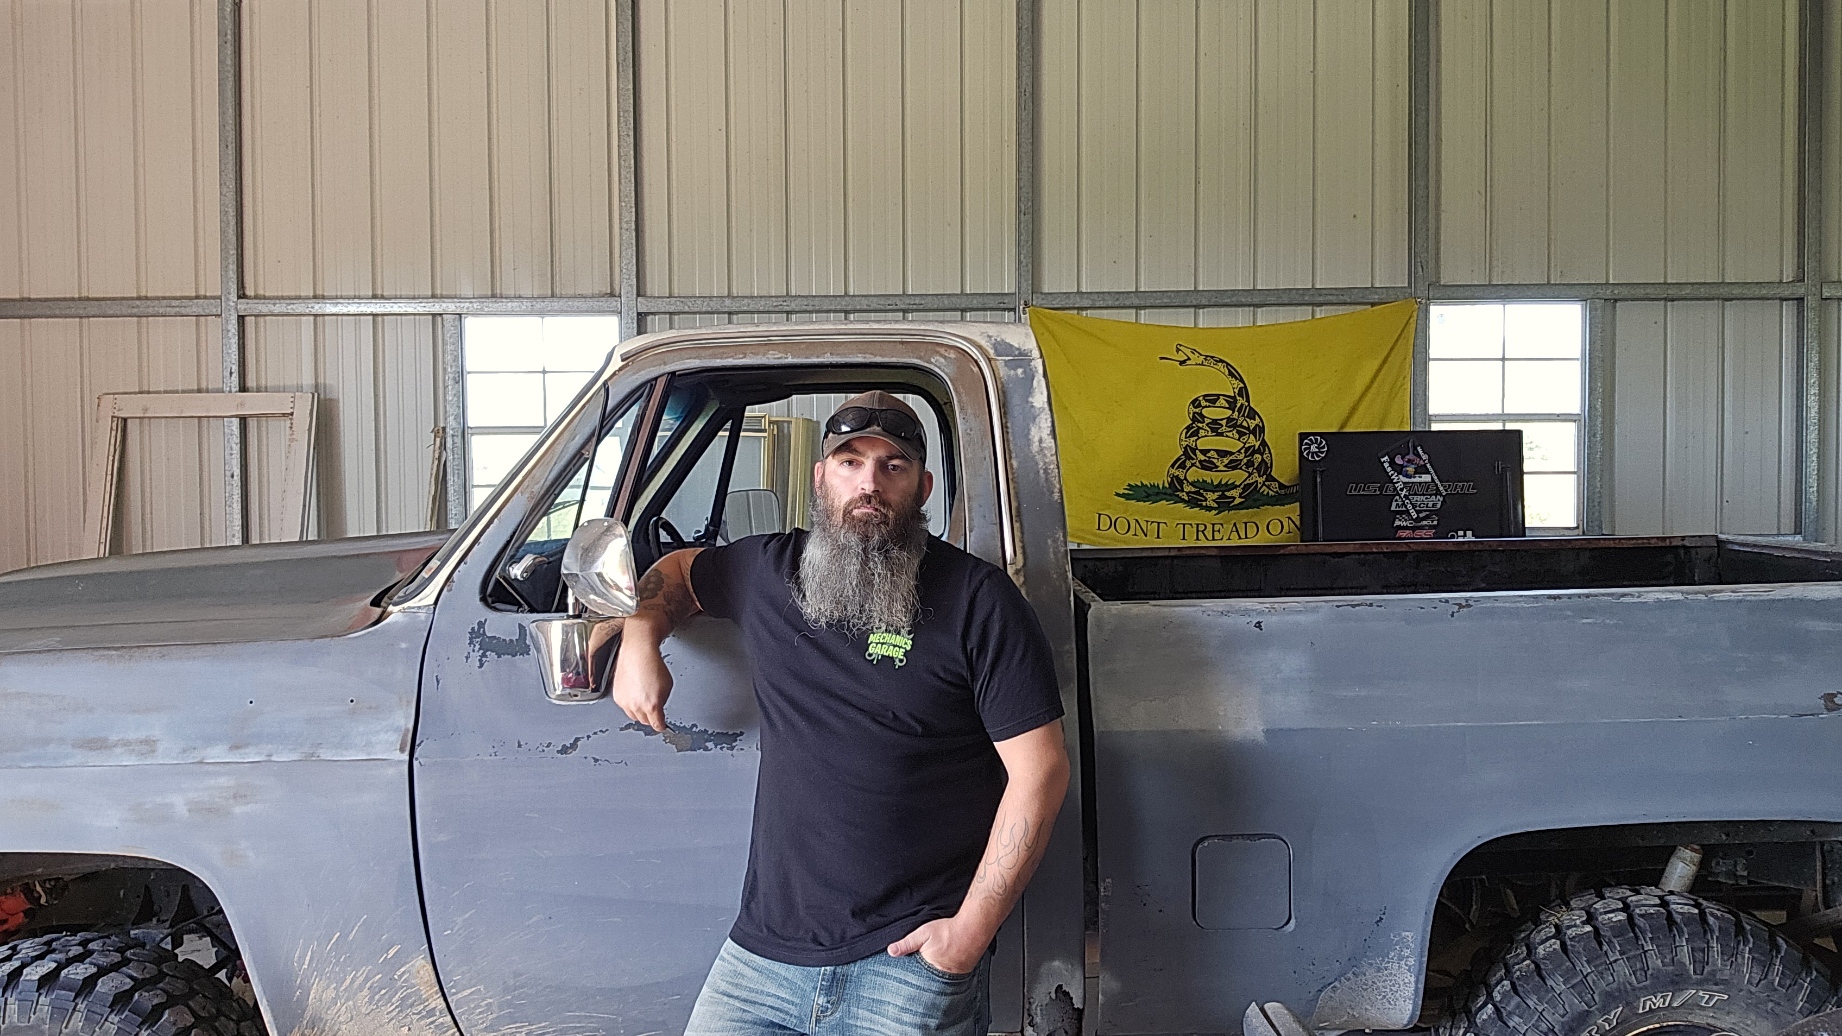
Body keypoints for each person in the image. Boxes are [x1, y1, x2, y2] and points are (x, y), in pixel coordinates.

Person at [608, 390, 1070, 1036]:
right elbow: (679, 573)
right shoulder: (768, 571)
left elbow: (1040, 773)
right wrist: (639, 636)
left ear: (923, 486)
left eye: (893, 466)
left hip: (907, 965)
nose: (870, 483)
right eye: (851, 462)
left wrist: (969, 933)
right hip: (762, 959)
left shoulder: (979, 601)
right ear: (821, 476)